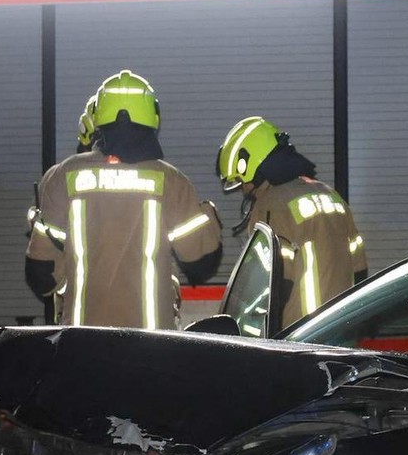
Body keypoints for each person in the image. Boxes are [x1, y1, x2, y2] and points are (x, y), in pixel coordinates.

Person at [26, 70, 221, 328]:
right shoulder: (171, 181)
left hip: (83, 344)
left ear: (98, 118)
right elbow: (201, 263)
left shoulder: (64, 177)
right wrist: (209, 216)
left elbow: (41, 276)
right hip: (152, 348)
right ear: (152, 117)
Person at [216, 116, 366, 328]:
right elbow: (360, 270)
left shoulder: (270, 206)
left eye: (241, 182)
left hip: (302, 337)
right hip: (342, 332)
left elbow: (269, 286)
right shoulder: (332, 195)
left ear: (252, 166)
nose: (243, 189)